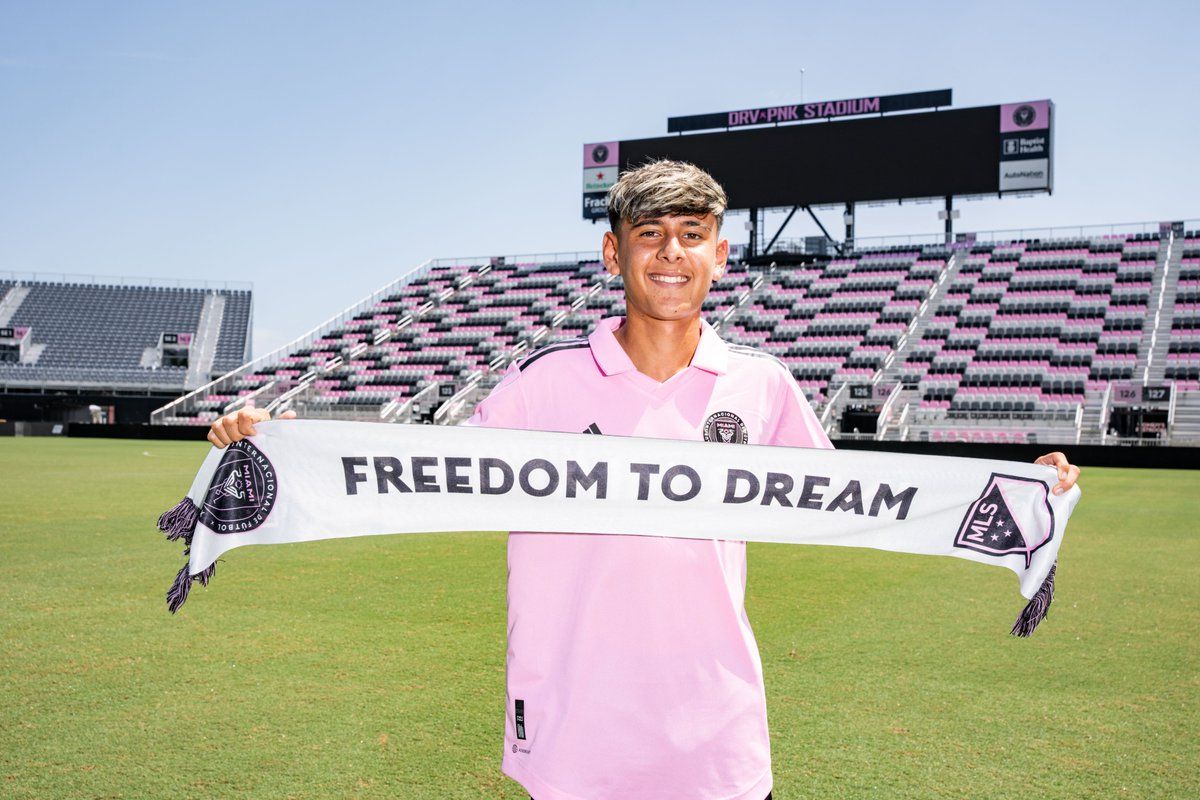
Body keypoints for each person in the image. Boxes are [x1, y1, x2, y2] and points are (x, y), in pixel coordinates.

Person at [208, 160, 1081, 799]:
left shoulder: (762, 383)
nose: (671, 254)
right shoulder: (543, 380)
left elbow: (858, 497)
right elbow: (421, 473)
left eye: (691, 237)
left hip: (715, 720)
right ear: (612, 252)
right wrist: (275, 442)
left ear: (721, 255)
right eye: (650, 235)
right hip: (575, 716)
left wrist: (1013, 485)